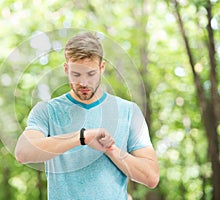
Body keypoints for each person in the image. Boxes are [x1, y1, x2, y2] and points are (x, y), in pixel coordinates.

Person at [14, 32, 159, 200]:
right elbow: (23, 153)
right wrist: (83, 137)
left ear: (101, 68)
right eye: (76, 74)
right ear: (66, 69)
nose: (83, 83)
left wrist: (111, 149)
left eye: (91, 74)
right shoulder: (47, 111)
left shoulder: (128, 111)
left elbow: (151, 177)